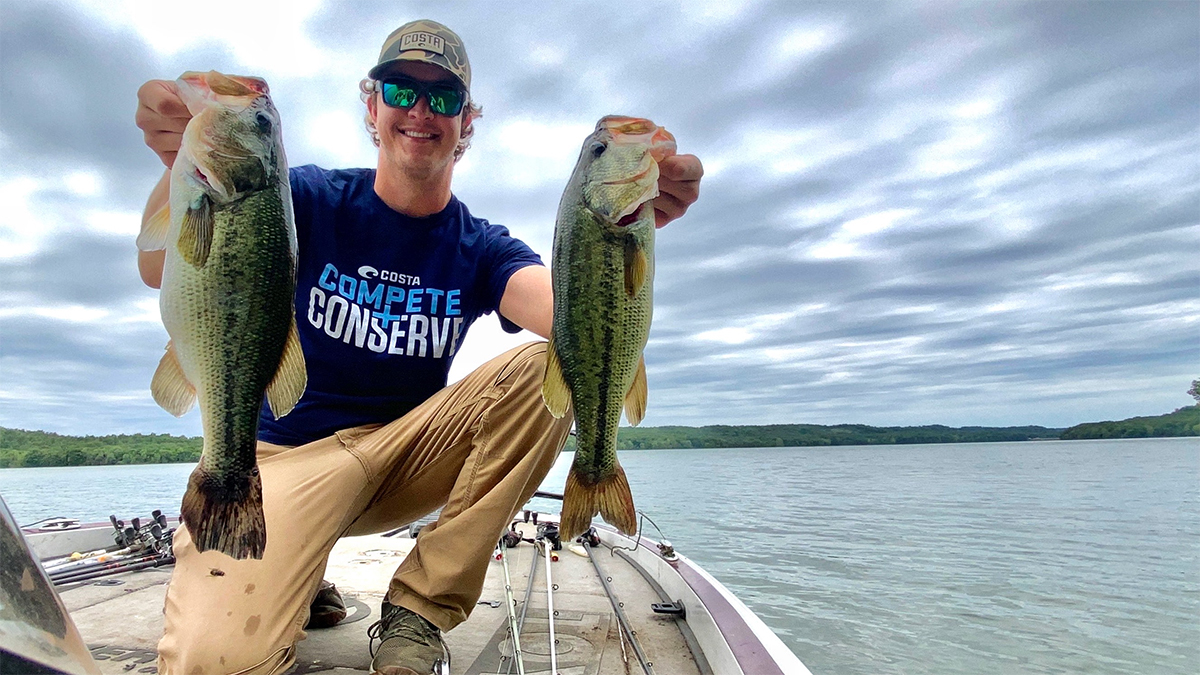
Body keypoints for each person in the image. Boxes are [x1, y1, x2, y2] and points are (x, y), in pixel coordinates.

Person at [134, 19, 702, 675]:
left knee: (544, 368)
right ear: (372, 105)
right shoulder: (302, 197)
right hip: (277, 461)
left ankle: (419, 611)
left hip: (402, 458)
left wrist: (612, 243)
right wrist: (174, 161)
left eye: (444, 96)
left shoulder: (481, 246)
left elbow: (561, 316)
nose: (421, 110)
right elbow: (159, 269)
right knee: (214, 662)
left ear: (468, 121)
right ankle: (298, 560)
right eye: (401, 89)